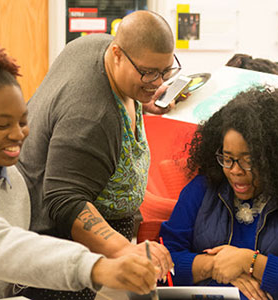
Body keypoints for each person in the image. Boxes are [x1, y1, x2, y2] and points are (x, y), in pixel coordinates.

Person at [0, 39, 158, 299]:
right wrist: (95, 266)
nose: (17, 134)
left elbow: (17, 269)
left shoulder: (15, 182)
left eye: (22, 121)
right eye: (1, 125)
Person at [17, 10, 174, 300]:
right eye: (148, 72)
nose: (156, 81)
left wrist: (143, 100)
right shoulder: (92, 118)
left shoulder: (95, 46)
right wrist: (125, 250)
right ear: (117, 54)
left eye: (164, 71)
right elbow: (65, 201)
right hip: (63, 250)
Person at [160, 88, 278, 300]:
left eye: (248, 160)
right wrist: (216, 266)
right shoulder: (202, 188)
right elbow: (162, 263)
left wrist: (250, 262)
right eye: (227, 158)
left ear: (276, 159)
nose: (235, 170)